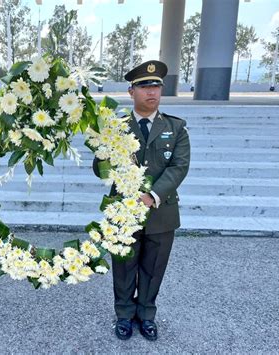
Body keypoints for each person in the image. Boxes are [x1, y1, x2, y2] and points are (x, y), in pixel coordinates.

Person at [93, 60, 190, 341]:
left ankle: (146, 314)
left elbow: (178, 167)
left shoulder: (176, 127)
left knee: (153, 266)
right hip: (123, 212)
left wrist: (152, 196)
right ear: (131, 91)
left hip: (161, 212)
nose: (152, 92)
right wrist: (102, 150)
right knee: (124, 267)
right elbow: (100, 170)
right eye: (144, 86)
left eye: (156, 86)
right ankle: (124, 314)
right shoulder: (116, 128)